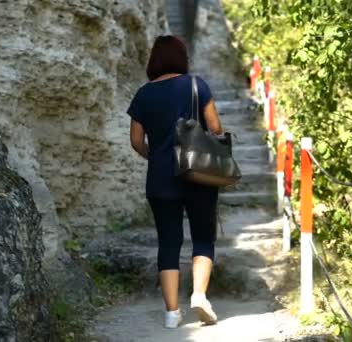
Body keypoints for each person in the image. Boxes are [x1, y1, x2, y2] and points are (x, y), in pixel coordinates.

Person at [127, 35, 224, 329]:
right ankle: (198, 296)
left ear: (154, 60)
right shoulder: (196, 85)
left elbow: (135, 140)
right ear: (182, 58)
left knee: (168, 242)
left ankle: (171, 313)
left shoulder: (144, 94)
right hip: (198, 174)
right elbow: (216, 127)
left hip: (160, 177)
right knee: (203, 238)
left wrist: (156, 155)